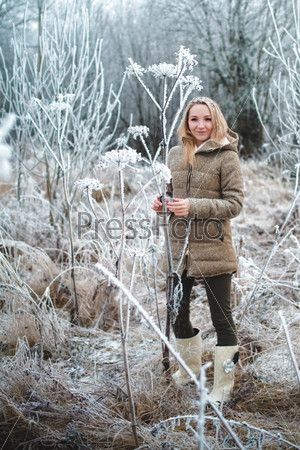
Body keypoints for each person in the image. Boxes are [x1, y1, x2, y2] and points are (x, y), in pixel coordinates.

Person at [151, 97, 244, 404]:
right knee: (177, 314)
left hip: (214, 248)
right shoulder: (175, 154)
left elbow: (234, 205)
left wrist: (193, 207)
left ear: (216, 121)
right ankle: (188, 370)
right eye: (194, 120)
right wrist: (161, 203)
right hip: (179, 250)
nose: (201, 125)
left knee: (223, 321)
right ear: (186, 122)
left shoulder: (226, 156)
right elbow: (171, 193)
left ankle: (224, 383)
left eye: (207, 119)